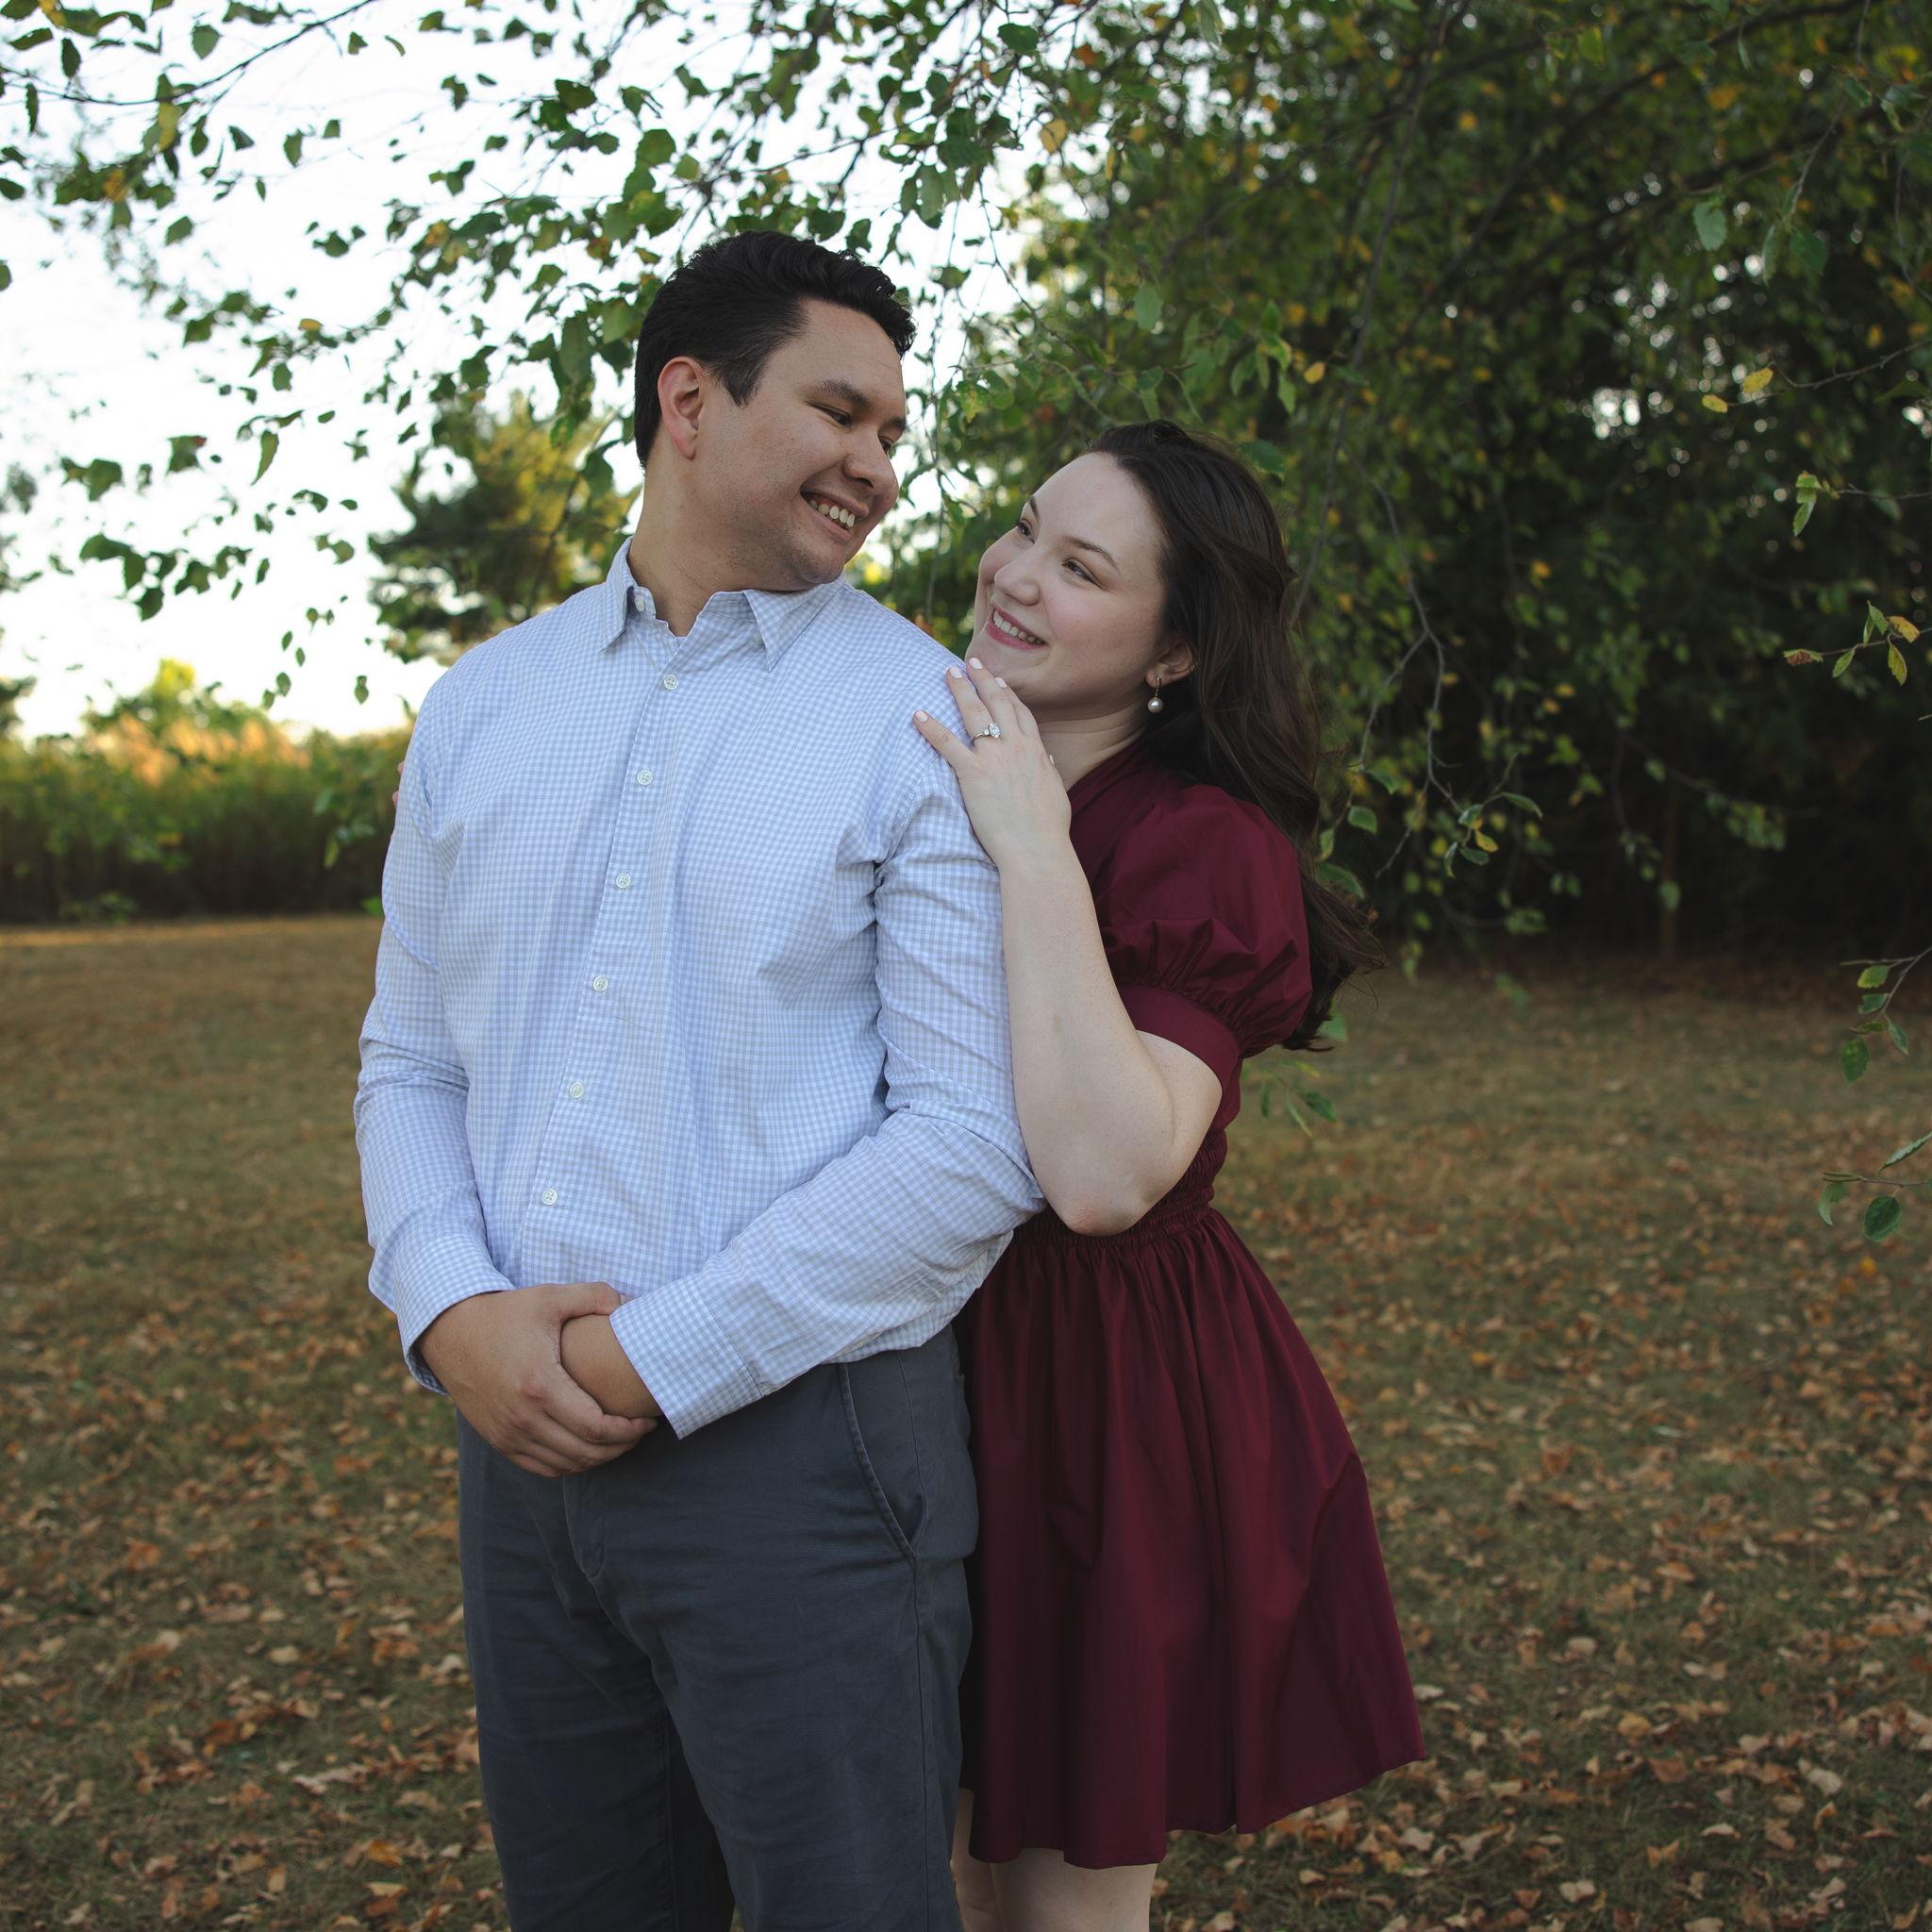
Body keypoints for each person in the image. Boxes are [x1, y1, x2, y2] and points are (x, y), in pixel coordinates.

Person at [353, 229, 1042, 1931]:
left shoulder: (929, 719)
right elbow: (410, 1056)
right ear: (687, 400)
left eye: (894, 432)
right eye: (840, 413)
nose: (879, 467)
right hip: (518, 1462)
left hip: (808, 1467)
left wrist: (652, 1360)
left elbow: (971, 1142)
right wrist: (451, 1313)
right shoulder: (482, 706)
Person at [910, 423, 1428, 1931]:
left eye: (1081, 568)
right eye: (1025, 528)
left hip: (1093, 1386)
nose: (1015, 576)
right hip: (908, 1345)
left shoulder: (1201, 847)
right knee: (928, 1867)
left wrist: (1034, 849)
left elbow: (1103, 1175)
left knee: (1061, 1891)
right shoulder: (923, 761)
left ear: (1176, 652)